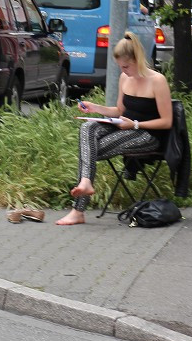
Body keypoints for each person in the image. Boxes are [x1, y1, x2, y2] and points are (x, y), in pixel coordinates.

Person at [56, 32, 173, 226]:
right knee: (88, 127)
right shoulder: (124, 78)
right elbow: (119, 110)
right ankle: (85, 183)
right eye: (120, 67)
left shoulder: (157, 81)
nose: (124, 71)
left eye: (126, 66)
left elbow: (167, 122)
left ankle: (78, 209)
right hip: (124, 127)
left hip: (149, 135)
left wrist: (135, 125)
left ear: (138, 60)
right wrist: (95, 108)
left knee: (88, 152)